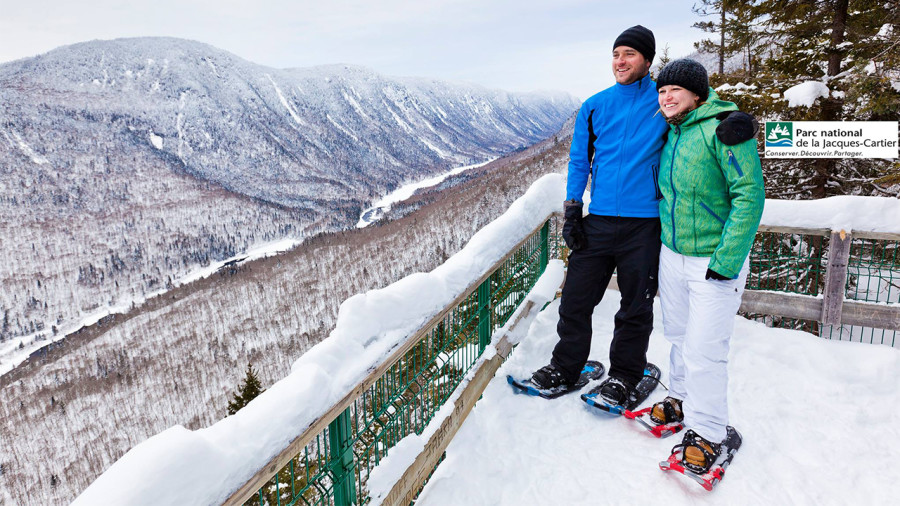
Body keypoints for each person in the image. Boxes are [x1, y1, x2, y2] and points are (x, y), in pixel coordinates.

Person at [530, 26, 755, 405]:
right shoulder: (595, 105)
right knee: (575, 300)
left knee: (635, 307)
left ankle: (624, 375)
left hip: (646, 225)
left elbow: (702, 107)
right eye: (616, 54)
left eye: (630, 54)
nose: (620, 61)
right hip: (597, 220)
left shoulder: (663, 98)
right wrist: (572, 208)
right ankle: (567, 366)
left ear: (647, 61)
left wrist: (739, 120)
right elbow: (578, 159)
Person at [650, 58, 764, 472]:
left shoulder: (724, 129)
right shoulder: (673, 130)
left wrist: (728, 259)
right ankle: (680, 397)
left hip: (714, 261)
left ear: (697, 93)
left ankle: (710, 432)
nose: (666, 97)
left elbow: (749, 195)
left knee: (705, 351)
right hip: (673, 254)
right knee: (678, 335)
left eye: (674, 90)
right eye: (662, 91)